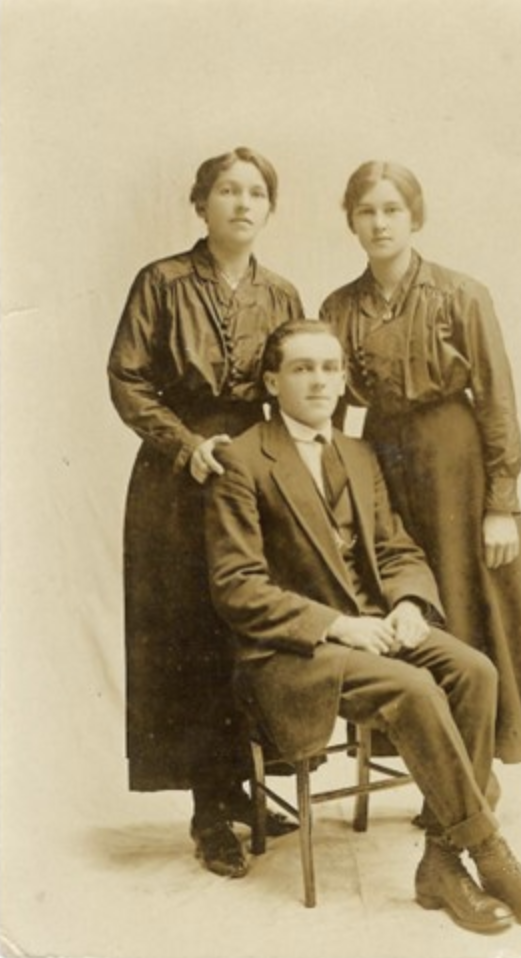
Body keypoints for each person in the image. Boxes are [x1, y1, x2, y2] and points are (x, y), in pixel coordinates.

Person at [204, 320, 521, 934]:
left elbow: (397, 548)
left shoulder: (358, 454)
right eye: (302, 368)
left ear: (343, 379)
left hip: (374, 633)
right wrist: (339, 626)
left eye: (330, 368)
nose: (320, 381)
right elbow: (238, 588)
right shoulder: (242, 459)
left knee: (475, 671)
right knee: (415, 688)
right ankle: (492, 857)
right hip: (292, 652)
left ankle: (441, 861)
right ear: (272, 382)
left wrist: (409, 604)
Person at [319, 161, 521, 788]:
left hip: (457, 466)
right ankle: (429, 758)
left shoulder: (462, 295)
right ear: (351, 221)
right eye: (367, 211)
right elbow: (332, 409)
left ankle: (474, 773)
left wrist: (501, 503)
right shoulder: (339, 307)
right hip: (381, 461)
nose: (380, 223)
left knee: (463, 602)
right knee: (401, 599)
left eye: (392, 210)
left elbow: (497, 399)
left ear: (415, 217)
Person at [107, 147, 302, 879]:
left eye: (256, 193)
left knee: (249, 626)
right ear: (201, 204)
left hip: (252, 474)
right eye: (227, 191)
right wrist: (187, 445)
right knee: (186, 635)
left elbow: (292, 383)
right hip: (175, 476)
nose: (242, 204)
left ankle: (244, 785)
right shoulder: (161, 282)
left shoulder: (281, 294)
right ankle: (209, 811)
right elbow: (128, 378)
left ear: (269, 209)